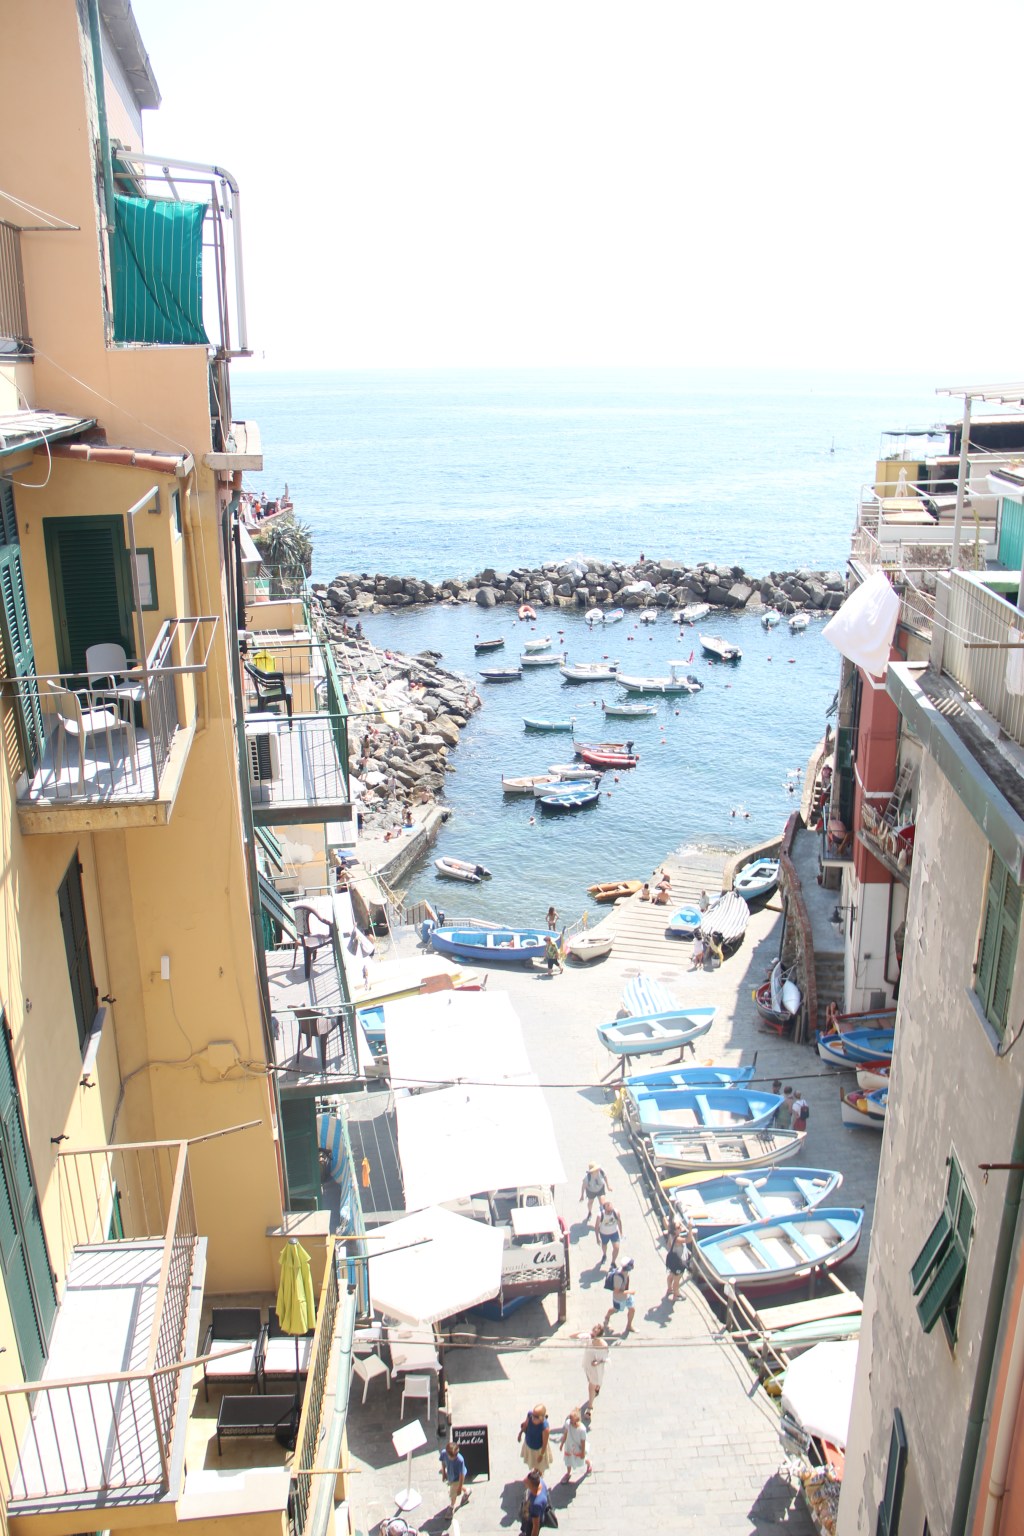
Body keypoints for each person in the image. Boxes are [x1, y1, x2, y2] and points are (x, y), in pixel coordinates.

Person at [556, 1407, 592, 1483]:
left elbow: (583, 1442)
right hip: (569, 1446)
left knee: (581, 1459)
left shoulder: (582, 1429)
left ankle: (589, 1464)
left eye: (573, 1421)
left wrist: (582, 1452)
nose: (571, 1423)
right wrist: (562, 1443)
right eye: (570, 1420)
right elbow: (565, 1433)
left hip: (578, 1448)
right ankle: (568, 1473)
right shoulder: (568, 1424)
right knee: (568, 1460)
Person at [604, 1255, 636, 1334]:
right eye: (631, 1265)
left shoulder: (626, 1272)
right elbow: (616, 1291)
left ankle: (629, 1326)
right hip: (619, 1299)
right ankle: (607, 1317)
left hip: (627, 1297)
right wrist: (629, 1292)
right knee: (615, 1310)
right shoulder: (618, 1277)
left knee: (632, 1309)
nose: (633, 1266)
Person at [581, 1323, 608, 1412]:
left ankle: (590, 1407)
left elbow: (605, 1358)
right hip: (588, 1365)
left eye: (596, 1331)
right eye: (594, 1330)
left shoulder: (603, 1345)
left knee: (591, 1385)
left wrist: (597, 1362)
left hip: (596, 1368)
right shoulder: (589, 1338)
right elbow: (572, 1336)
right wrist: (584, 1332)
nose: (594, 1333)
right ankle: (597, 1387)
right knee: (591, 1382)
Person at [518, 1404, 552, 1473]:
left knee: (539, 1465)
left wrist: (541, 1455)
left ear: (541, 1417)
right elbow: (525, 1425)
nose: (533, 1417)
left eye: (536, 1416)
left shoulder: (545, 1427)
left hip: (538, 1449)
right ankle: (534, 1471)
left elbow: (545, 1443)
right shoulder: (530, 1416)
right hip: (529, 1444)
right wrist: (520, 1433)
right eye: (533, 1415)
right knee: (532, 1462)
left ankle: (538, 1477)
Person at [439, 1439, 467, 1516]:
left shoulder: (460, 1460)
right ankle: (467, 1491)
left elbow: (462, 1476)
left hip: (457, 1478)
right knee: (453, 1486)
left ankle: (452, 1506)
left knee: (453, 1494)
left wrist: (459, 1488)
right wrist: (444, 1473)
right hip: (450, 1475)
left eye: (455, 1455)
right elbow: (443, 1462)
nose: (453, 1458)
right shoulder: (444, 1453)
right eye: (451, 1456)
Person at [664, 1217, 689, 1302]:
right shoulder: (677, 1239)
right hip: (679, 1262)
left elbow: (668, 1245)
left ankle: (669, 1289)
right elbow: (688, 1240)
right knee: (677, 1280)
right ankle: (676, 1295)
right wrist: (690, 1228)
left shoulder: (670, 1235)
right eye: (678, 1227)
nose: (681, 1228)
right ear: (674, 1230)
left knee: (671, 1275)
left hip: (673, 1261)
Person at [520, 1469, 550, 1536]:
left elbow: (535, 1526)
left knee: (529, 1532)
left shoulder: (535, 1504)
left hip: (532, 1521)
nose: (524, 1481)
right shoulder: (540, 1482)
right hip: (531, 1513)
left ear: (532, 1486)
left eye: (527, 1482)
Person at [594, 1196, 623, 1265]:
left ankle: (613, 1262)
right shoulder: (600, 1215)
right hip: (604, 1233)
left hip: (614, 1233)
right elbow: (596, 1227)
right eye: (609, 1211)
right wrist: (597, 1238)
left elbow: (619, 1222)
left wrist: (621, 1232)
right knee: (604, 1245)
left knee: (616, 1248)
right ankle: (604, 1255)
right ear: (605, 1209)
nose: (610, 1212)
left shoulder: (616, 1212)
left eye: (611, 1210)